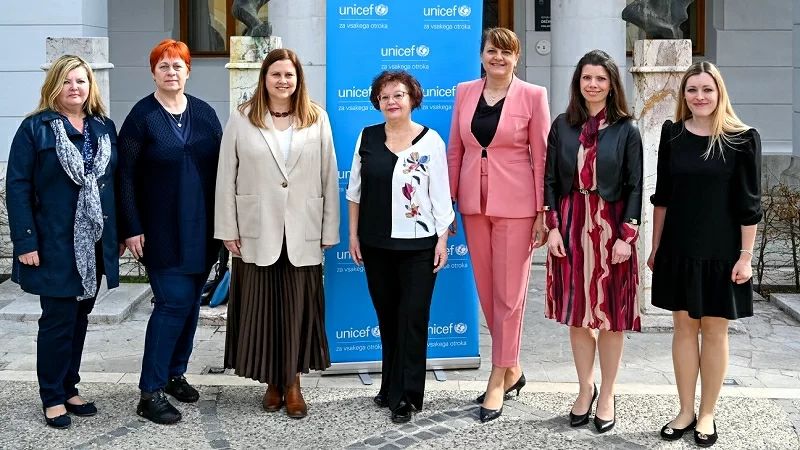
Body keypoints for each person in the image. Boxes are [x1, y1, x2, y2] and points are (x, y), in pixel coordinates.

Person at [215, 48, 339, 419]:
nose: (283, 81)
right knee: (263, 308)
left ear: (298, 79)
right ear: (264, 78)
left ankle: (293, 382)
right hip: (256, 229)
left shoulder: (316, 117)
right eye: (276, 74)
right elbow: (226, 176)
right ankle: (272, 381)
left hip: (304, 229)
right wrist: (227, 228)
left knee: (298, 309)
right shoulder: (242, 118)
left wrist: (329, 227)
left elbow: (328, 175)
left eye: (289, 75)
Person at [650, 61, 761, 448]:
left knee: (714, 331)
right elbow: (662, 197)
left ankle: (708, 413)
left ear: (719, 93)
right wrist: (656, 247)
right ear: (684, 95)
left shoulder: (742, 139)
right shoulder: (673, 135)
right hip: (678, 247)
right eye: (692, 89)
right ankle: (685, 411)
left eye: (707, 89)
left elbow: (750, 205)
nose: (699, 96)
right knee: (683, 328)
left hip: (722, 252)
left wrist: (746, 256)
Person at [6, 55, 119, 429]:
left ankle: (69, 387)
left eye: (81, 81)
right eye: (67, 81)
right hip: (54, 242)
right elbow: (17, 186)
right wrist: (25, 241)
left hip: (94, 243)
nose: (74, 87)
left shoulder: (103, 127)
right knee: (57, 320)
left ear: (90, 87)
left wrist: (116, 235)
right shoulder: (35, 128)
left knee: (80, 317)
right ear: (54, 85)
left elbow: (112, 184)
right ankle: (52, 396)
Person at [447, 27, 550, 423]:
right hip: (473, 203)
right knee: (489, 292)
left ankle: (497, 376)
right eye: (492, 51)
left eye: (506, 52)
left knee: (510, 294)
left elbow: (541, 156)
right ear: (482, 55)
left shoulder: (533, 95)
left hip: (518, 205)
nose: (498, 58)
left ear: (516, 58)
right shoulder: (464, 92)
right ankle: (513, 368)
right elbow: (456, 149)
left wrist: (542, 211)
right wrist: (450, 203)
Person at [117, 39, 223, 424]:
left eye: (178, 65)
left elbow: (224, 169)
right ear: (153, 72)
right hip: (160, 231)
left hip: (203, 230)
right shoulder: (142, 117)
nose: (171, 72)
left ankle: (176, 373)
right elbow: (124, 176)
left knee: (191, 304)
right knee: (172, 303)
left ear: (188, 71)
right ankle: (150, 391)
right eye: (163, 66)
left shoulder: (205, 113)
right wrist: (131, 227)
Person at [543, 49, 643, 433]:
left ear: (612, 84)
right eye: (587, 77)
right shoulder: (562, 126)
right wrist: (553, 226)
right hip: (571, 224)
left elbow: (635, 185)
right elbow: (550, 180)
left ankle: (608, 393)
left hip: (612, 226)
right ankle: (585, 388)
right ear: (578, 82)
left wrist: (627, 235)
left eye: (601, 78)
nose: (593, 84)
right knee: (577, 313)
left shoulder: (627, 129)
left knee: (611, 316)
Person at [347, 71, 454, 424]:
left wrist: (442, 239)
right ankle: (389, 385)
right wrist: (353, 235)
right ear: (377, 102)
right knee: (388, 318)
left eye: (398, 95)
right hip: (375, 244)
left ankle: (406, 396)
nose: (391, 101)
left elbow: (441, 194)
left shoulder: (430, 141)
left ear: (412, 99)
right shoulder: (367, 137)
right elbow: (354, 192)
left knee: (412, 319)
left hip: (419, 247)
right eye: (385, 96)